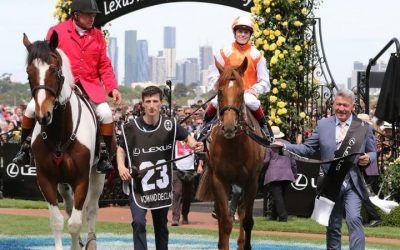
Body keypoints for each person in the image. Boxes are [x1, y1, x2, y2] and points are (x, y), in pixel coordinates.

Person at [12, 0, 121, 173]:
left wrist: (112, 87)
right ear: (76, 15)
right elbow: (45, 58)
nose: (92, 18)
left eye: (94, 15)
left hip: (89, 86)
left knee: (106, 114)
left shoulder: (98, 36)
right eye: (88, 14)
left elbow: (104, 65)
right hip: (62, 85)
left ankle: (104, 156)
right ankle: (24, 150)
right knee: (31, 109)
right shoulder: (57, 31)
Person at [274, 89, 376, 249]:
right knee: (333, 224)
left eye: (345, 105)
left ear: (353, 107)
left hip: (352, 183)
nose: (341, 108)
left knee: (354, 218)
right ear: (333, 104)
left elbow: (373, 151)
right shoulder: (323, 125)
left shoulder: (363, 127)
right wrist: (284, 147)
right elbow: (307, 148)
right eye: (338, 104)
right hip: (330, 183)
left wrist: (369, 158)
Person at [116, 86, 203, 250]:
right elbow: (120, 149)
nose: (151, 105)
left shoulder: (170, 124)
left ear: (160, 103)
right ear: (142, 103)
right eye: (147, 101)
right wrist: (121, 166)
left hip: (161, 188)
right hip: (139, 187)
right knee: (138, 222)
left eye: (155, 101)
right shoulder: (131, 127)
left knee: (161, 227)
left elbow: (188, 138)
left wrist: (195, 145)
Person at [203, 16, 271, 137]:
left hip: (247, 92)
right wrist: (220, 85)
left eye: (246, 32)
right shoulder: (224, 51)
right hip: (227, 91)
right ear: (235, 33)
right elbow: (213, 75)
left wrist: (255, 89)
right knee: (214, 103)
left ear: (250, 35)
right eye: (240, 31)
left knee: (252, 102)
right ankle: (204, 129)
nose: (243, 35)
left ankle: (265, 129)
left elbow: (265, 80)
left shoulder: (256, 55)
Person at [171, 117, 204, 226]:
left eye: (184, 126)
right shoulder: (173, 138)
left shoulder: (193, 137)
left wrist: (200, 164)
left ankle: (185, 215)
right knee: (176, 193)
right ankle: (175, 218)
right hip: (176, 168)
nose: (182, 129)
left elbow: (200, 152)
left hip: (190, 169)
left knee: (187, 195)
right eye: (180, 126)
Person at [263, 126, 296, 222]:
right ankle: (273, 216)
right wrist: (295, 174)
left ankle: (283, 217)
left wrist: (260, 167)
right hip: (287, 174)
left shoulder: (270, 146)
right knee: (279, 196)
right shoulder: (288, 144)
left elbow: (266, 161)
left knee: (277, 197)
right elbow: (293, 162)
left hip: (274, 175)